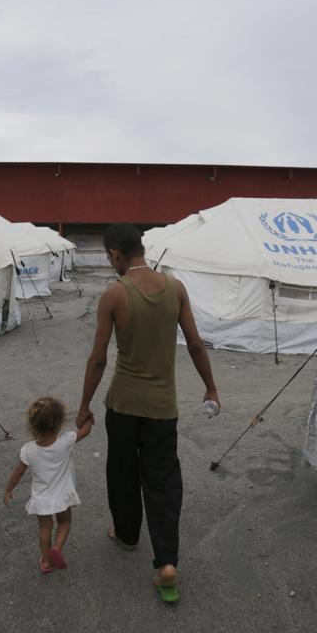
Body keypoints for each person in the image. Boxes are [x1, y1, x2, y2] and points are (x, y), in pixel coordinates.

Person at [77, 223, 219, 603]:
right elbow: (194, 343)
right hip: (161, 408)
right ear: (141, 247)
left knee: (122, 470)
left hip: (122, 405)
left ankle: (126, 533)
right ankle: (166, 563)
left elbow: (97, 358)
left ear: (114, 255)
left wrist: (84, 406)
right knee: (163, 480)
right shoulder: (176, 289)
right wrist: (211, 386)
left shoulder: (114, 295)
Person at [4, 396, 94, 573]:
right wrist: (88, 417)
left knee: (45, 528)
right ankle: (57, 549)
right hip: (62, 497)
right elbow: (86, 430)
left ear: (33, 425)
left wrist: (8, 490)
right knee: (65, 522)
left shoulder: (28, 450)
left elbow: (18, 472)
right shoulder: (66, 441)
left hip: (42, 499)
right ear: (59, 423)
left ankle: (46, 561)